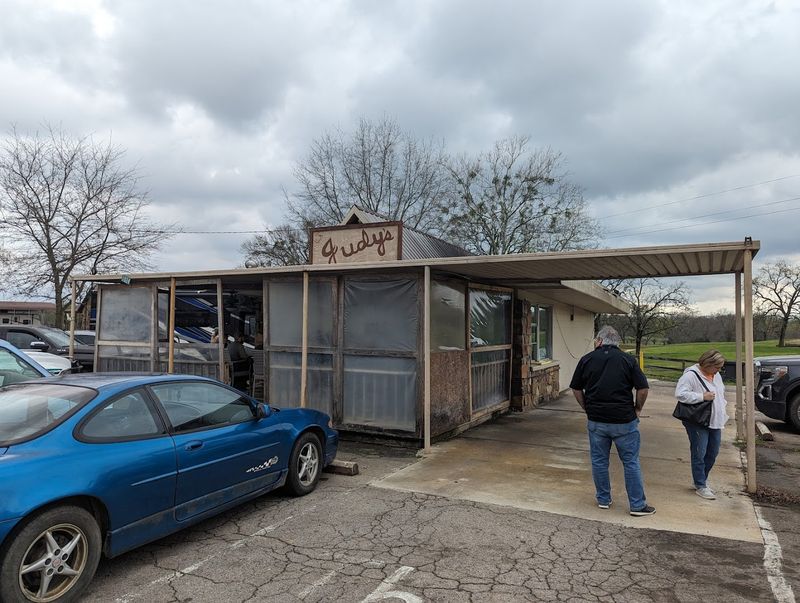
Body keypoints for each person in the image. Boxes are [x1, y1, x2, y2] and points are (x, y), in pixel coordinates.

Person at [570, 326, 655, 516]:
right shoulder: (627, 360)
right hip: (624, 420)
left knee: (599, 461)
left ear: (600, 340)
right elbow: (643, 388)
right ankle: (637, 505)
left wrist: (586, 408)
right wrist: (638, 409)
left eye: (595, 340)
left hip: (596, 420)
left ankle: (603, 499)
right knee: (630, 462)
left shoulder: (587, 359)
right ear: (617, 342)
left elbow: (576, 388)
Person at [675, 349, 728, 500]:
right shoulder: (691, 375)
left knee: (712, 452)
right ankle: (700, 485)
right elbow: (680, 394)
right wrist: (701, 396)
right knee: (699, 452)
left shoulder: (716, 376)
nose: (719, 370)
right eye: (717, 367)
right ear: (708, 364)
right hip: (698, 420)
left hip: (715, 420)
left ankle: (701, 479)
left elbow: (721, 394)